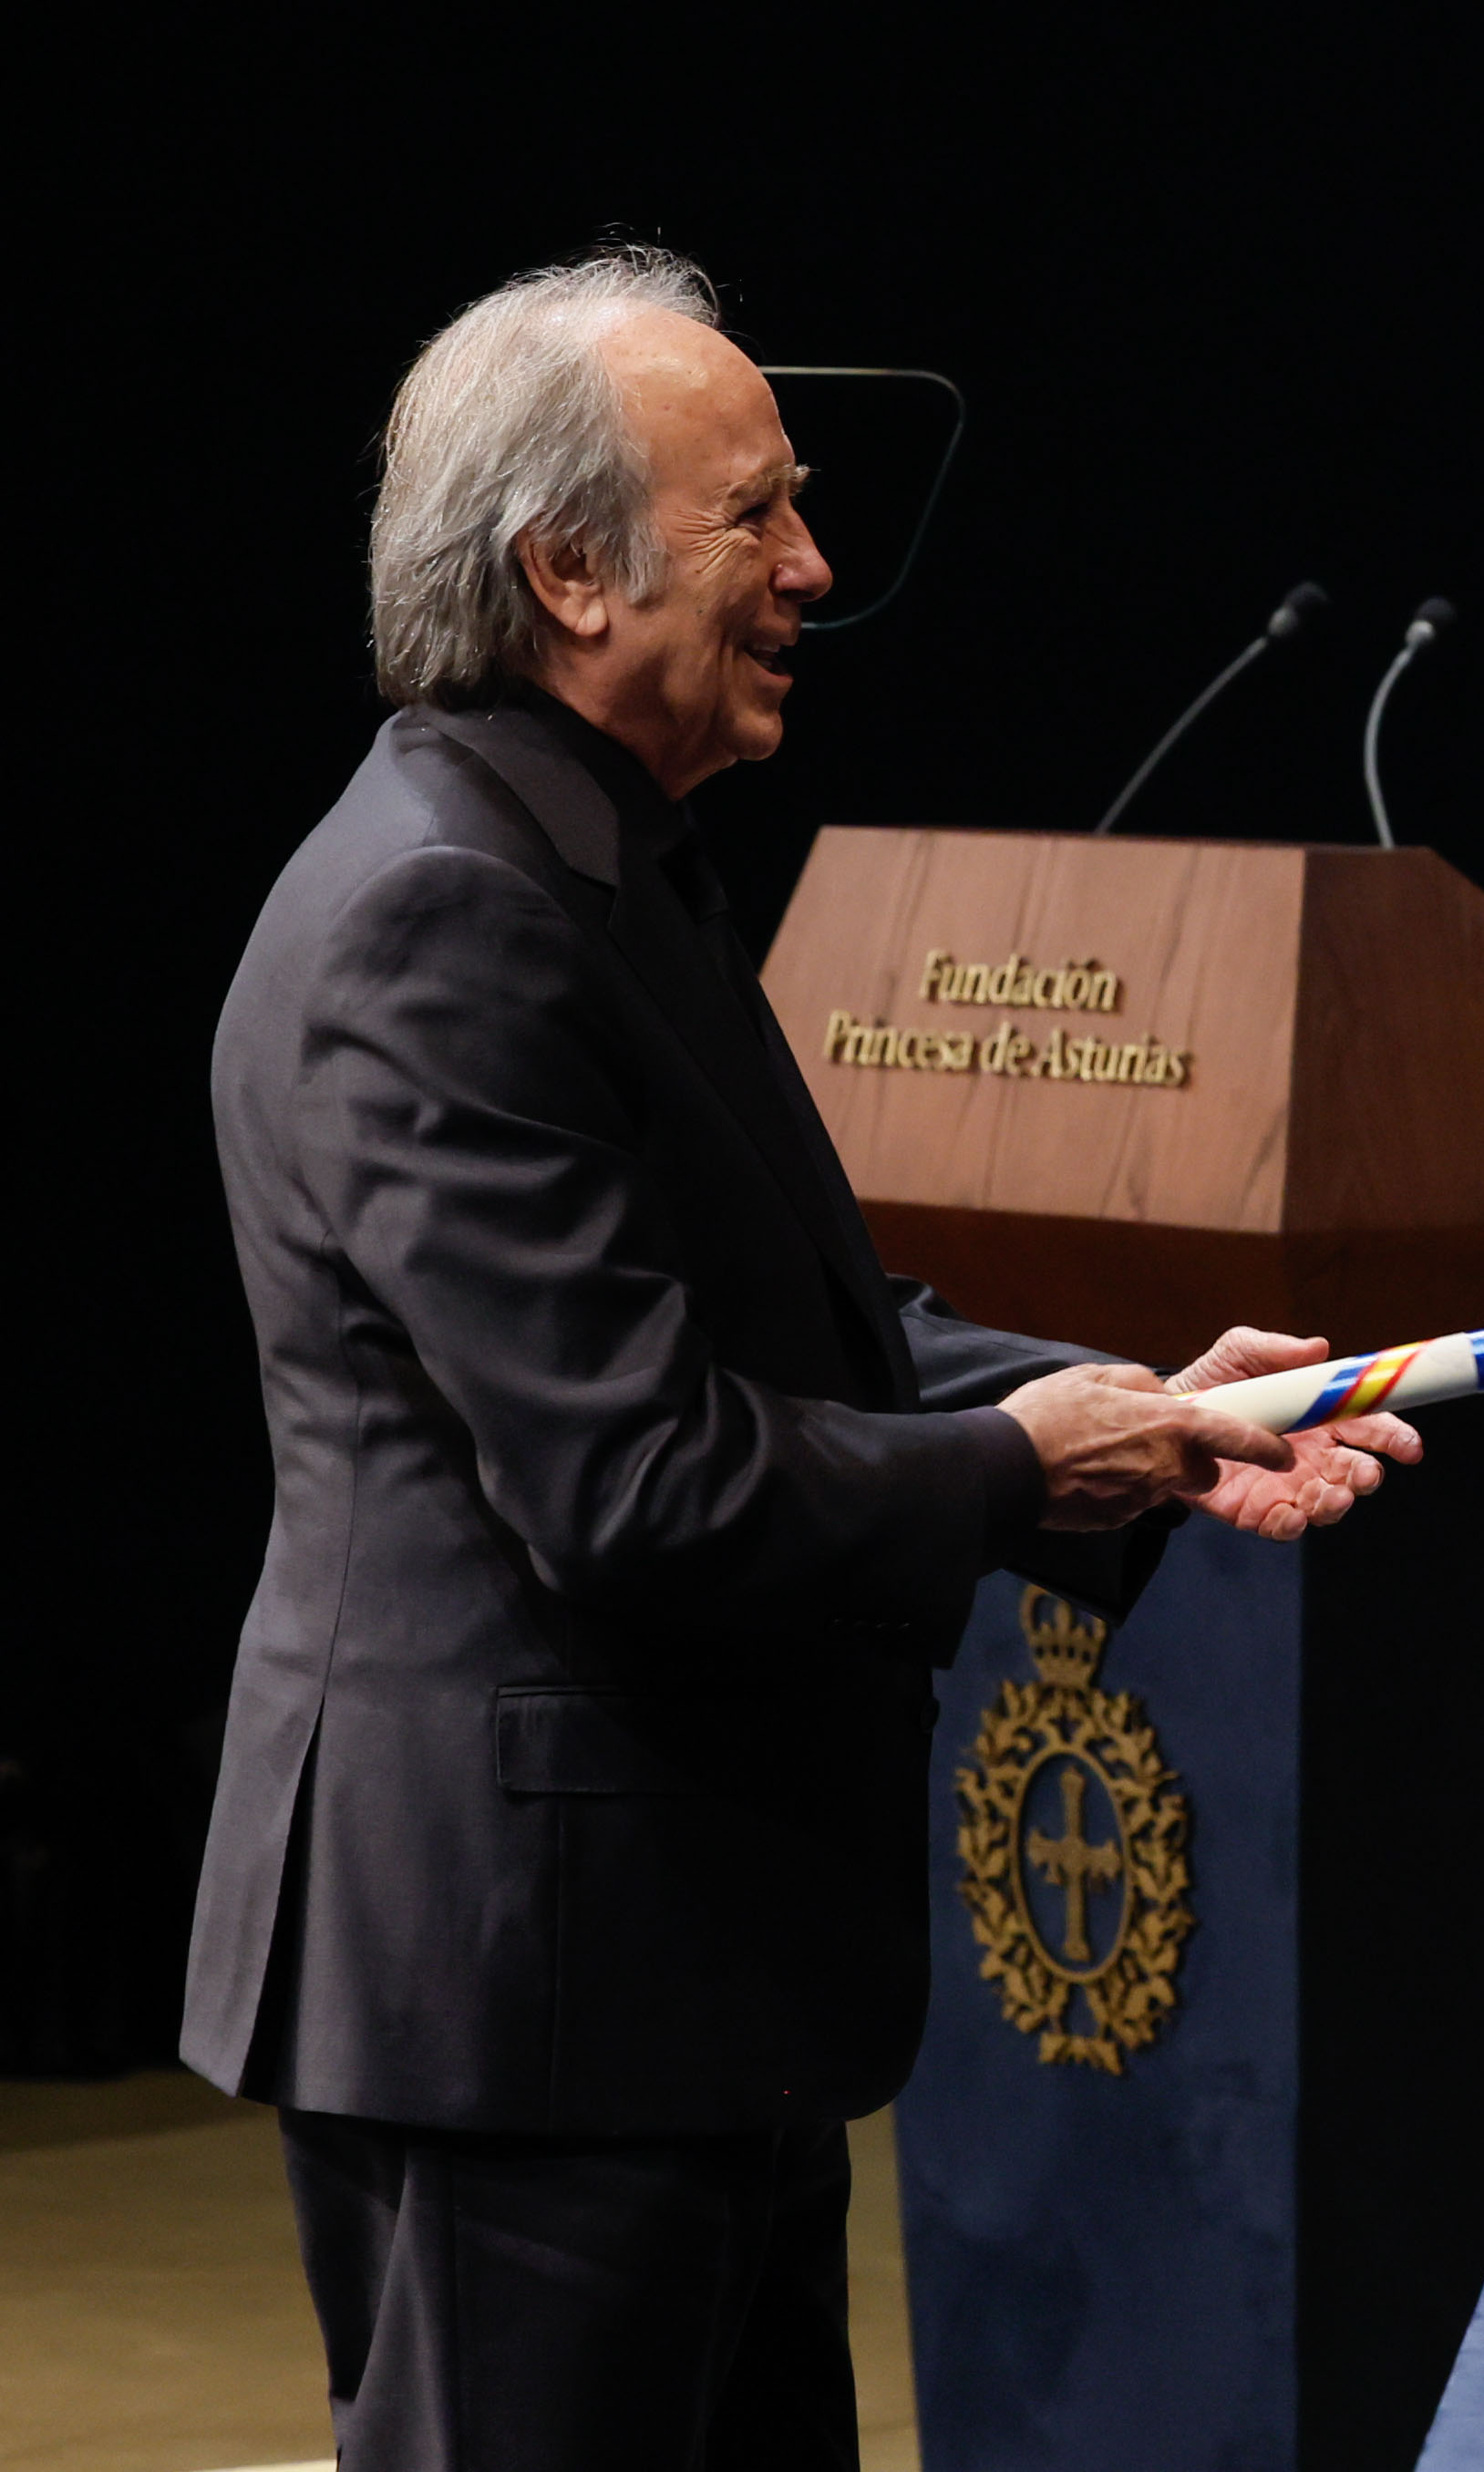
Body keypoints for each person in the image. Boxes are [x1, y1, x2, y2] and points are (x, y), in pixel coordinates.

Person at [191, 249, 1420, 2468]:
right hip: (526, 2003)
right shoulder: (445, 914)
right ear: (569, 571)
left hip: (666, 1983)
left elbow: (816, 1335)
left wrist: (1142, 1409)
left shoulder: (594, 869)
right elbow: (635, 1481)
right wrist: (1033, 1466)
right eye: (758, 512)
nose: (817, 568)